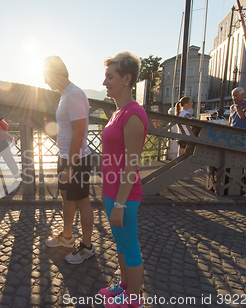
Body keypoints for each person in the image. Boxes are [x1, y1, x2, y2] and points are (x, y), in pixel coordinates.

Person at [99, 52, 148, 308]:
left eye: (110, 77)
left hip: (125, 195)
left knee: (130, 247)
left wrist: (119, 203)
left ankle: (133, 300)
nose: (104, 82)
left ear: (127, 78)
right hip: (112, 191)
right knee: (120, 244)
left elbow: (131, 165)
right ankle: (124, 287)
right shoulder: (117, 112)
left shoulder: (133, 115)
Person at [42, 56, 94, 265]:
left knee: (82, 201)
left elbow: (80, 133)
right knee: (66, 197)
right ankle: (67, 236)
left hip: (77, 160)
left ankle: (87, 247)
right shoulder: (65, 95)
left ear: (56, 73)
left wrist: (72, 166)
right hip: (65, 157)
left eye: (46, 76)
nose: (45, 82)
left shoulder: (74, 95)